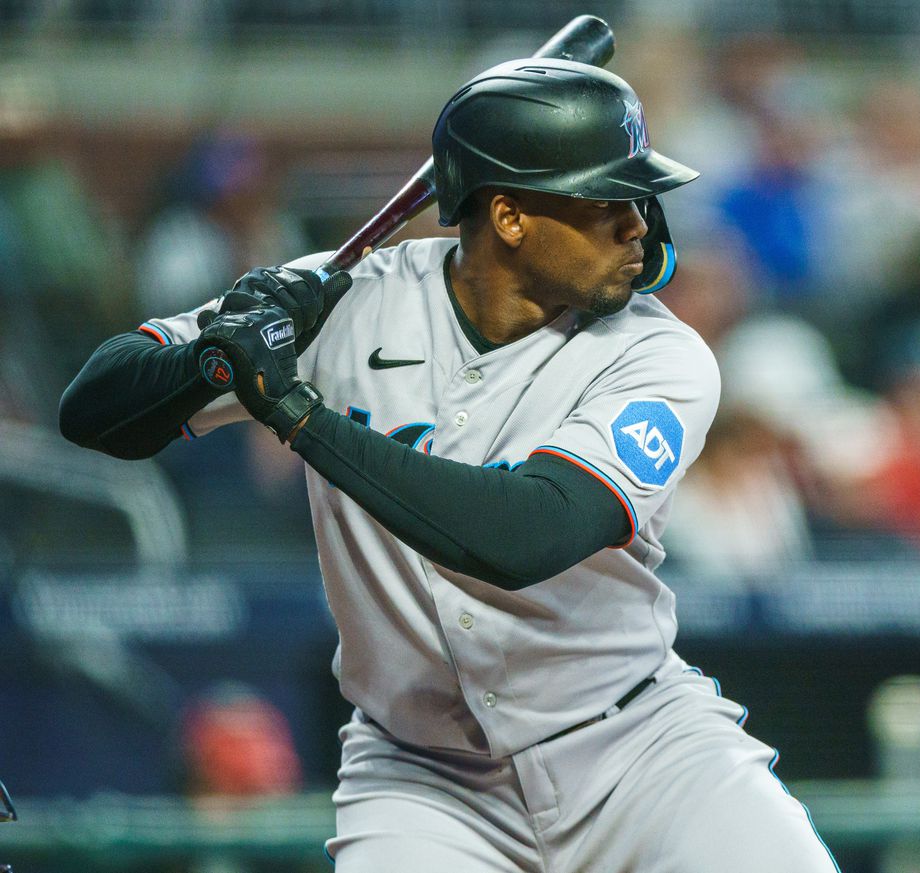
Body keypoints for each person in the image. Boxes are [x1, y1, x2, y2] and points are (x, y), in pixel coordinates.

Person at [59, 58, 839, 873]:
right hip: (421, 779)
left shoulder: (659, 353)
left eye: (639, 198)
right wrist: (220, 358)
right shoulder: (348, 299)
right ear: (507, 216)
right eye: (607, 200)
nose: (640, 224)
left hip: (636, 747)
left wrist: (295, 412)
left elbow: (522, 535)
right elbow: (94, 408)